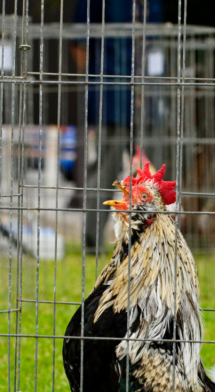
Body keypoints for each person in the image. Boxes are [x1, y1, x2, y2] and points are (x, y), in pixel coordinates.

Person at [70, 0, 163, 253]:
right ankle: (91, 240)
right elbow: (78, 45)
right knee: (106, 170)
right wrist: (98, 81)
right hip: (111, 97)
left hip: (150, 96)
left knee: (160, 172)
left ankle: (163, 238)